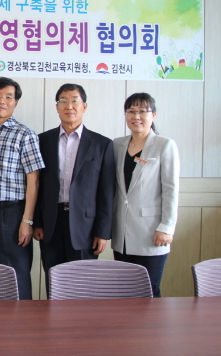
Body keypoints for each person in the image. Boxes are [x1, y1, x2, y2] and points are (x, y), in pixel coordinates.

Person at [33, 83, 115, 295]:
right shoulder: (42, 141)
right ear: (57, 107)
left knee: (82, 285)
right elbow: (37, 185)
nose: (69, 106)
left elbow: (106, 192)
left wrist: (102, 232)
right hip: (51, 224)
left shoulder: (102, 144)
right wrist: (37, 222)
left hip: (85, 227)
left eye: (74, 101)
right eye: (63, 101)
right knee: (54, 282)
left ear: (84, 106)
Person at [0, 77, 44, 300]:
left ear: (15, 103)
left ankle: (21, 321)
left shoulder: (25, 134)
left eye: (8, 97)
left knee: (16, 275)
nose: (1, 101)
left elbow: (34, 180)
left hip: (12, 214)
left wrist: (27, 221)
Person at [112, 93, 179, 298]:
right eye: (131, 111)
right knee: (124, 291)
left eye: (142, 111)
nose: (136, 116)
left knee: (149, 290)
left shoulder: (164, 145)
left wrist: (166, 227)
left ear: (153, 115)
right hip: (122, 233)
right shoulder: (117, 145)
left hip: (151, 232)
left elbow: (171, 189)